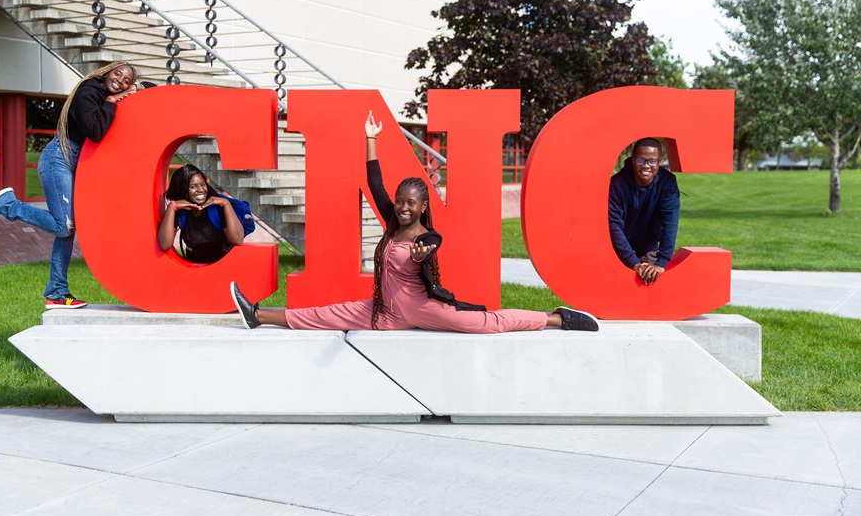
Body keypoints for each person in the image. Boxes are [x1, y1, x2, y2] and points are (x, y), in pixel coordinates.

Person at [229, 111, 599, 333]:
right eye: (401, 202)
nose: (403, 208)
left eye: (411, 204)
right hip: (385, 313)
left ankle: (556, 319)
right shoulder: (393, 221)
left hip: (424, 309)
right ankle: (257, 314)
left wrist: (421, 255)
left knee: (491, 324)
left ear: (423, 207)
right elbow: (375, 184)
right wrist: (371, 139)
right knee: (326, 314)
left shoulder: (427, 235)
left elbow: (428, 250)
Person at [0, 61, 140, 309]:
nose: (121, 81)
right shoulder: (90, 91)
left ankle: (56, 292)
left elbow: (149, 89)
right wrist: (112, 101)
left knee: (68, 229)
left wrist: (136, 88)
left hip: (77, 164)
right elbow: (95, 131)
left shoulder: (109, 93)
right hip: (60, 159)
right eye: (118, 74)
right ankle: (7, 203)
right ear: (107, 72)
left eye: (127, 81)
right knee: (63, 226)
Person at [608, 137, 680, 285]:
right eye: (641, 160)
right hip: (617, 247)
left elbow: (670, 223)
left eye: (652, 161)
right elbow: (614, 225)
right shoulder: (617, 184)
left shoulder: (668, 183)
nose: (646, 166)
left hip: (648, 246)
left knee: (650, 286)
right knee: (614, 287)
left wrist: (661, 263)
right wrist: (633, 262)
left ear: (659, 162)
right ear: (633, 160)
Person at [158, 164, 246, 263]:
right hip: (196, 269)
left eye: (203, 184)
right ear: (183, 190)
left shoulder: (217, 208)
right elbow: (164, 244)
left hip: (224, 267)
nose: (200, 190)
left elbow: (237, 240)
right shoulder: (180, 212)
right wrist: (171, 208)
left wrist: (226, 204)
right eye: (193, 186)